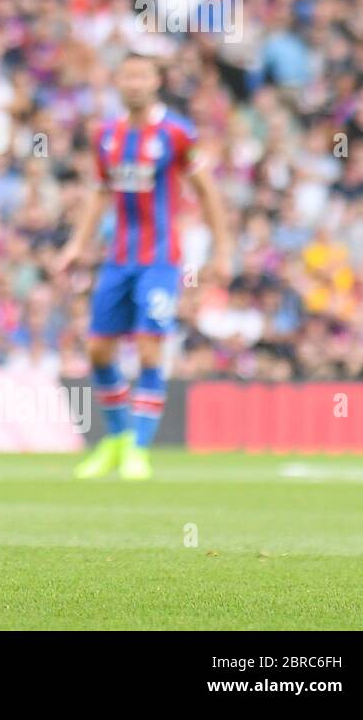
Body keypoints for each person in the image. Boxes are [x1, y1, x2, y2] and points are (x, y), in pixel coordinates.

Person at [54, 53, 231, 479]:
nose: (134, 82)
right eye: (127, 74)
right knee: (98, 349)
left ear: (156, 81)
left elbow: (207, 192)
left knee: (150, 347)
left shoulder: (177, 133)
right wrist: (78, 243)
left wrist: (222, 251)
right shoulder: (107, 136)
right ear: (118, 81)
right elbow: (101, 192)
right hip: (118, 258)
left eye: (142, 75)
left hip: (161, 260)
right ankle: (116, 439)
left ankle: (139, 448)